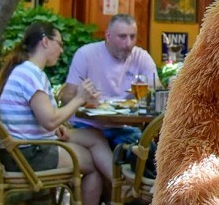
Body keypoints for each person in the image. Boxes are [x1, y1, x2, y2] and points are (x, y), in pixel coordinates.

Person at [0, 21, 114, 205]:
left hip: (25, 148)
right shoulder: (31, 75)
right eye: (59, 43)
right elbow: (50, 120)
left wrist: (65, 116)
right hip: (28, 155)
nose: (61, 49)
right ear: (45, 42)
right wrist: (79, 98)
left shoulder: (26, 71)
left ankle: (121, 187)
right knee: (93, 165)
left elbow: (44, 118)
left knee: (95, 137)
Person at [59, 13, 159, 148]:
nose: (128, 43)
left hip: (123, 127)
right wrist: (83, 100)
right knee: (127, 150)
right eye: (122, 37)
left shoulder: (141, 57)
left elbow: (157, 90)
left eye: (132, 37)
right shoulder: (86, 54)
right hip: (88, 125)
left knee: (149, 151)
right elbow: (66, 97)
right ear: (108, 36)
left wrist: (153, 91)